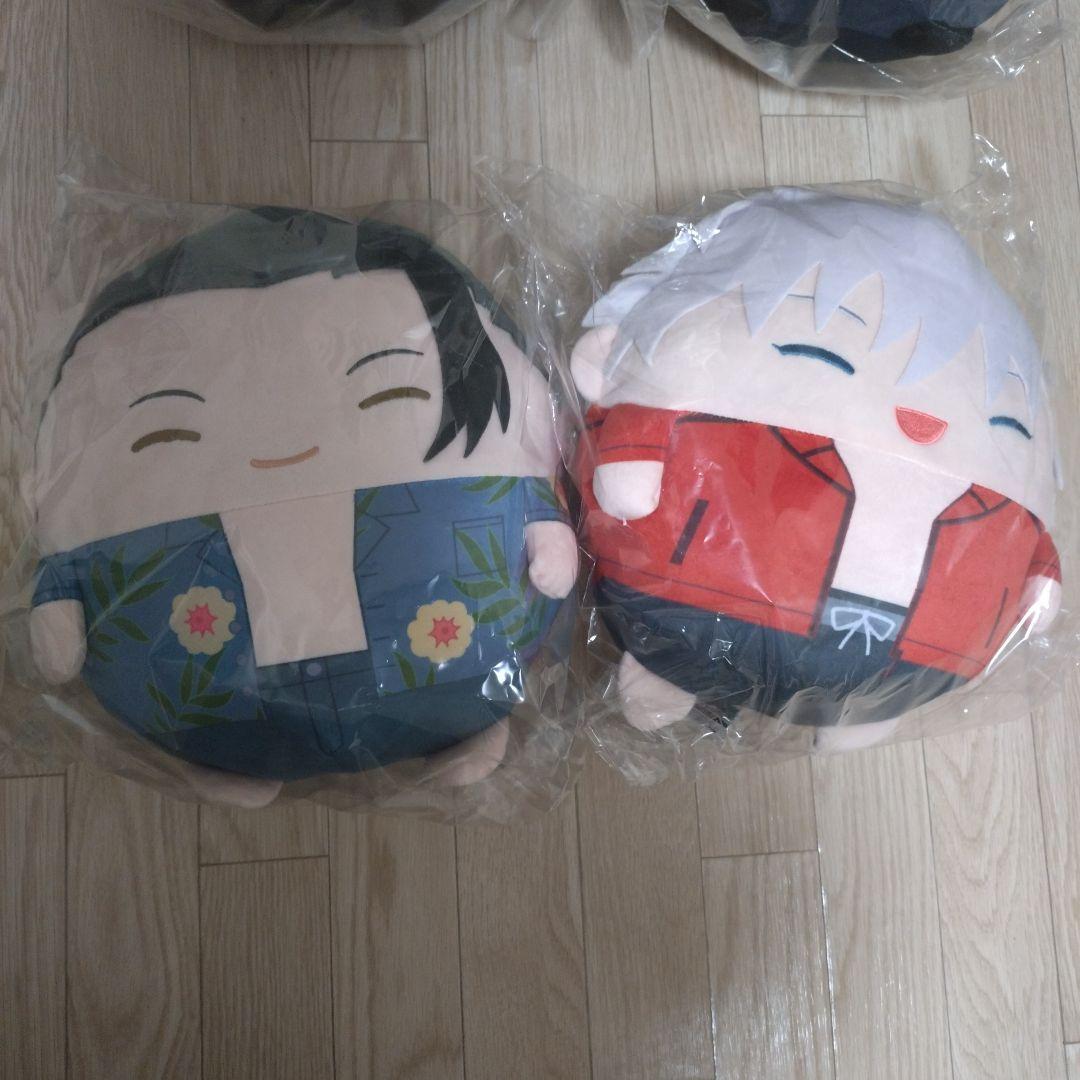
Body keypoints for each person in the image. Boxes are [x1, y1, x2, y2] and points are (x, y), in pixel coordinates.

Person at [29, 207, 577, 800]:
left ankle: (456, 728)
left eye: (390, 389)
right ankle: (236, 755)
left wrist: (548, 534)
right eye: (169, 430)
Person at [573, 189, 1060, 748]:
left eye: (1005, 420)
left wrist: (1040, 571)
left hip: (910, 658)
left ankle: (853, 704)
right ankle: (683, 671)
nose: (919, 418)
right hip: (700, 606)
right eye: (823, 354)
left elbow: (1036, 546)